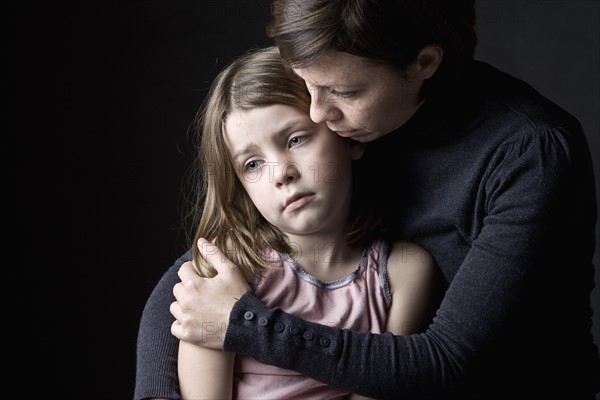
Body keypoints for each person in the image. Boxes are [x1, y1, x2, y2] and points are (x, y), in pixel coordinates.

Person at [137, 0, 600, 399]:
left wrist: (246, 323)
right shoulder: (350, 124)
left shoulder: (530, 153)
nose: (318, 112)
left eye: (342, 91)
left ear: (424, 64)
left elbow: (445, 363)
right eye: (307, 85)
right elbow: (203, 277)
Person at [136, 46, 442, 400]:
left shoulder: (402, 271)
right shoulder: (228, 271)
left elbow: (386, 382)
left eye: (296, 139)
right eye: (252, 164)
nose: (282, 173)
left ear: (348, 137)